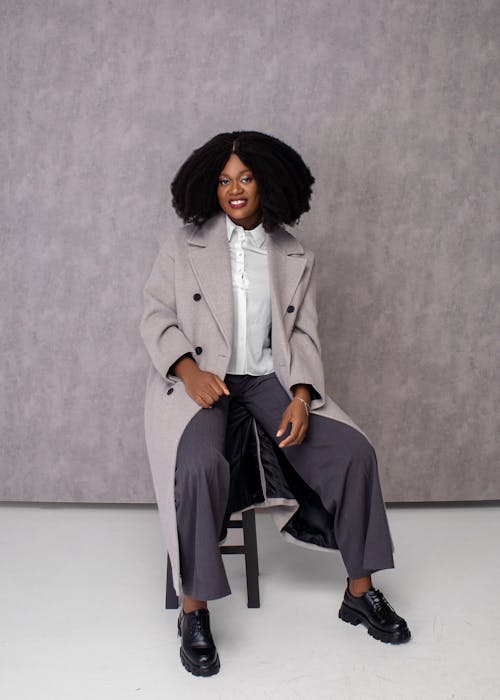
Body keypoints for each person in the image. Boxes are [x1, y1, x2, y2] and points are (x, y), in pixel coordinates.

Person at [139, 130, 411, 677]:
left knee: (355, 453)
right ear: (208, 187)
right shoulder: (182, 246)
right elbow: (155, 317)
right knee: (195, 465)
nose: (234, 189)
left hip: (271, 381)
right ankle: (193, 611)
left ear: (267, 183)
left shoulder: (293, 254)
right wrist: (189, 372)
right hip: (205, 381)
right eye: (223, 180)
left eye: (245, 178)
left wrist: (303, 396)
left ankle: (360, 591)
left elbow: (305, 337)